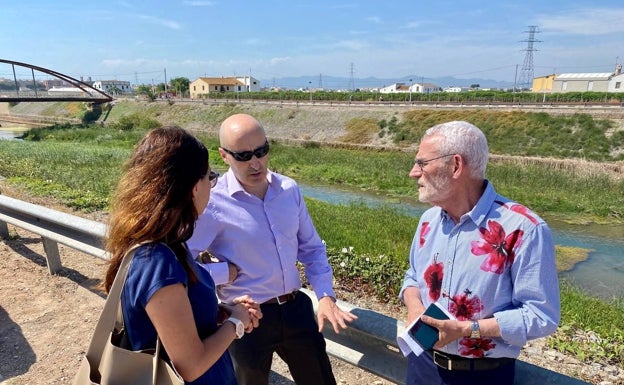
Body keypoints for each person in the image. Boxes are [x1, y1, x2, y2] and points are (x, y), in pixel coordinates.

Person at [187, 113, 358, 385]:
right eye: (243, 156)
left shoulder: (288, 189)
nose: (256, 163)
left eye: (262, 151)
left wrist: (325, 296)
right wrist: (222, 272)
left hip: (294, 308)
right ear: (223, 155)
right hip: (246, 317)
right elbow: (181, 263)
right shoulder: (214, 202)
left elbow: (312, 249)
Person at [399, 121, 560, 385]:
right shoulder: (429, 220)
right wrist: (415, 307)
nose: (413, 173)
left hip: (484, 375)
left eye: (422, 163)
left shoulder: (523, 228)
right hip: (424, 364)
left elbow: (541, 316)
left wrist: (467, 330)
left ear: (455, 166)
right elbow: (413, 277)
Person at [104, 126, 262, 385]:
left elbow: (170, 318)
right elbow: (190, 365)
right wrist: (237, 322)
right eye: (209, 177)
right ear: (193, 188)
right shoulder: (157, 261)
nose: (211, 185)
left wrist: (220, 311)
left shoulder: (162, 245)